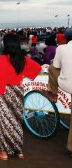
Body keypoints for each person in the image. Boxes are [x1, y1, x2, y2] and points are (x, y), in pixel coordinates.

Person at [0, 33, 41, 161]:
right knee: (16, 121)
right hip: (17, 92)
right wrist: (22, 76)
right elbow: (37, 67)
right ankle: (19, 151)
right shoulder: (22, 58)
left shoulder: (3, 59)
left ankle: (4, 153)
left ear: (6, 44)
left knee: (3, 123)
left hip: (5, 92)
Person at [41, 28, 72, 157]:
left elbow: (56, 67)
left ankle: (53, 93)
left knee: (53, 69)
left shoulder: (62, 48)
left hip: (67, 84)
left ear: (65, 38)